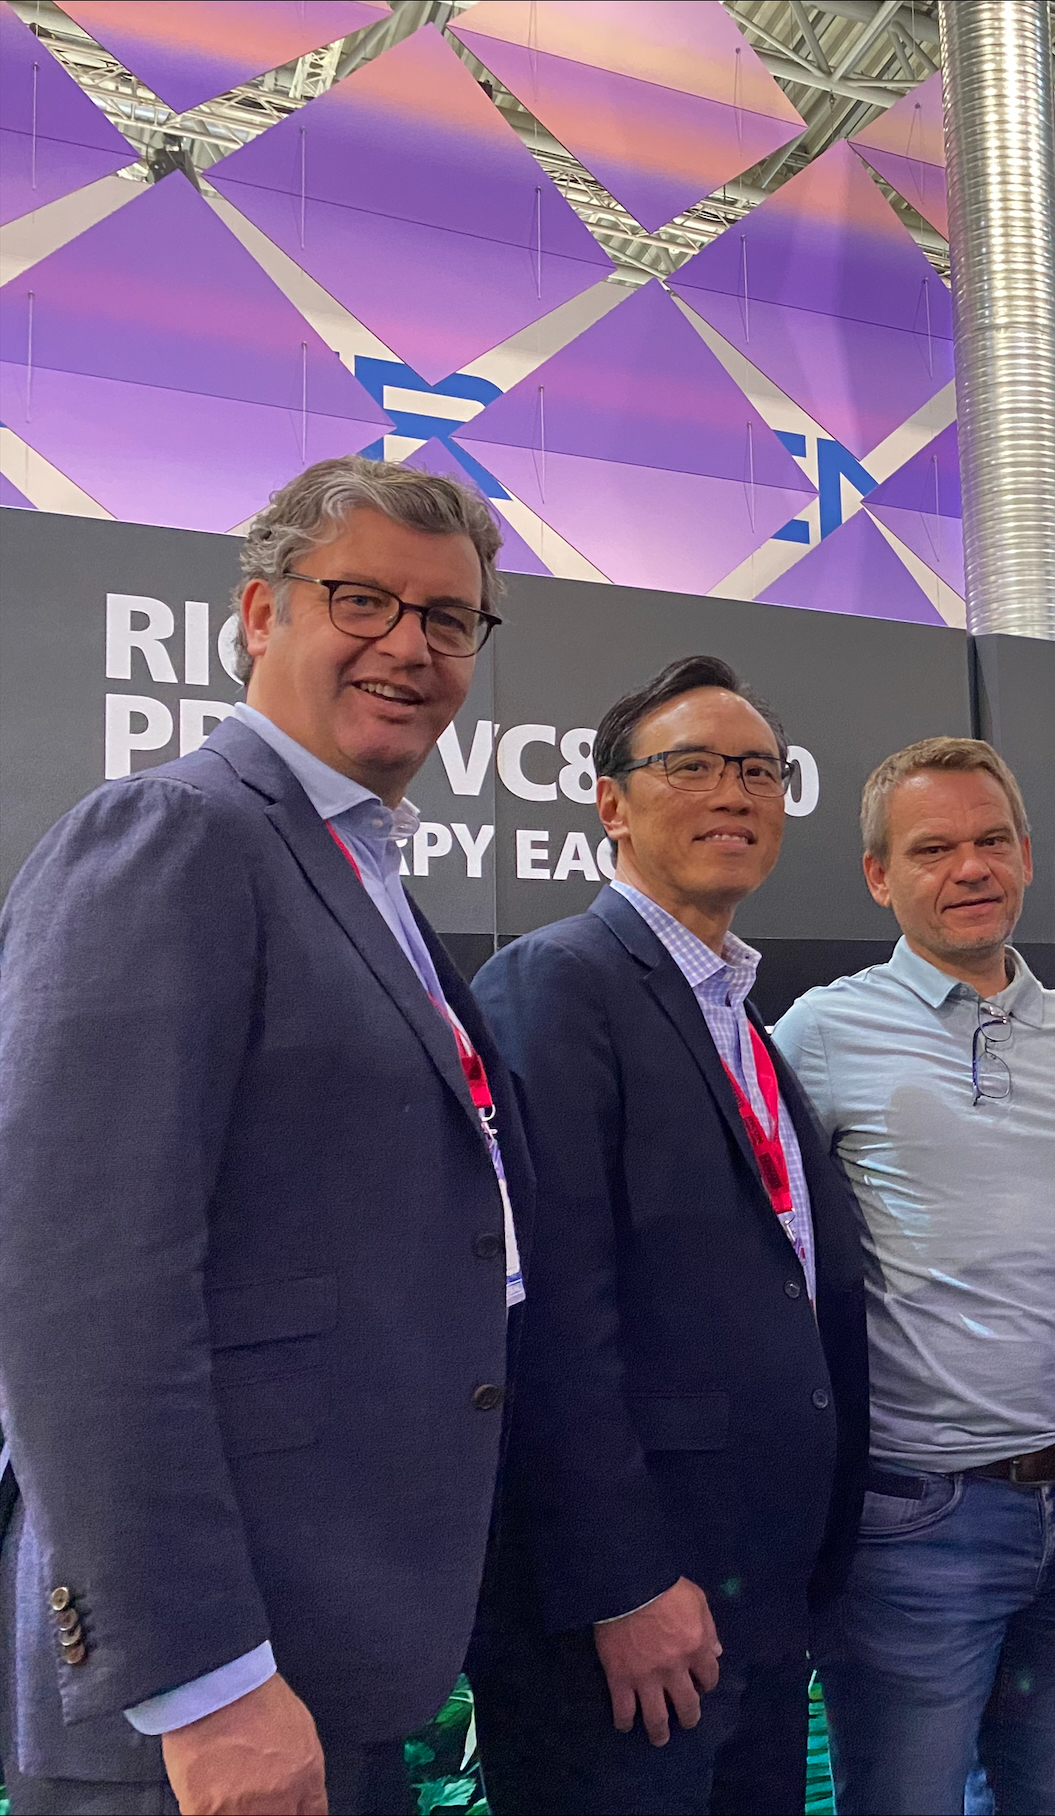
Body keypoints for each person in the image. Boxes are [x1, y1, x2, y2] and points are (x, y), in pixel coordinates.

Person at [0, 456, 530, 1815]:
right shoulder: (170, 834)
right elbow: (80, 1296)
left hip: (336, 1655)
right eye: (363, 599)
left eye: (448, 617)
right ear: (258, 613)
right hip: (209, 1705)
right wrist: (202, 1682)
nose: (408, 645)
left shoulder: (357, 865)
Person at [465, 656, 868, 1815]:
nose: (732, 793)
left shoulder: (741, 1017)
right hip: (635, 1619)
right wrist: (622, 1581)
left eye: (758, 770)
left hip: (755, 1593)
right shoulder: (554, 985)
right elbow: (547, 1315)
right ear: (611, 801)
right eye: (689, 766)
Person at [770, 737, 1055, 1816]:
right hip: (913, 1523)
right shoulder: (821, 1033)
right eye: (932, 849)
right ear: (878, 876)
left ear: (1027, 854)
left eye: (991, 840)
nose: (969, 867)